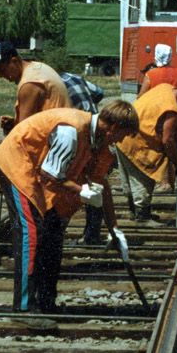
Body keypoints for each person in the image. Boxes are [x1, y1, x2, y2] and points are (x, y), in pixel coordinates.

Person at [0, 101, 140, 316]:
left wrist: (114, 228)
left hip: (43, 171)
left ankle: (46, 302)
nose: (121, 141)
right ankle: (23, 308)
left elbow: (101, 184)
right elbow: (50, 175)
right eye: (122, 135)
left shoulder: (98, 140)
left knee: (53, 231)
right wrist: (81, 190)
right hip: (19, 163)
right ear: (114, 126)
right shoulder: (71, 131)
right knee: (31, 231)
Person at [114, 81, 177, 221]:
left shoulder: (165, 88)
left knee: (129, 180)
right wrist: (176, 163)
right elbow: (168, 140)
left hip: (123, 135)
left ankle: (133, 211)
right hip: (138, 142)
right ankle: (142, 218)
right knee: (143, 179)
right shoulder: (172, 109)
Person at [59, 70, 106, 244]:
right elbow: (100, 92)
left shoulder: (55, 84)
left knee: (70, 183)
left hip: (78, 130)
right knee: (94, 182)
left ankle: (58, 232)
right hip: (94, 127)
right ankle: (91, 235)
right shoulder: (75, 77)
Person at [0, 41, 70, 134]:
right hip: (64, 130)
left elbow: (23, 131)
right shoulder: (37, 68)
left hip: (55, 137)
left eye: (2, 70)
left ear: (15, 61)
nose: (1, 76)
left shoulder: (29, 84)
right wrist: (14, 122)